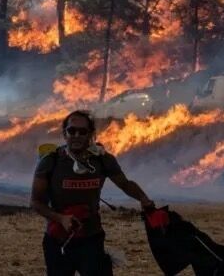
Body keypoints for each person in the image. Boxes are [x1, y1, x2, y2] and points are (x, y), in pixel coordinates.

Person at [32, 110, 154, 276]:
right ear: (64, 133)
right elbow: (36, 202)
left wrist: (144, 199)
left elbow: (125, 184)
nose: (76, 135)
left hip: (91, 239)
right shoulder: (51, 161)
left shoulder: (103, 160)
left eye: (82, 131)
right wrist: (61, 218)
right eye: (71, 131)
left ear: (91, 134)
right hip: (57, 240)